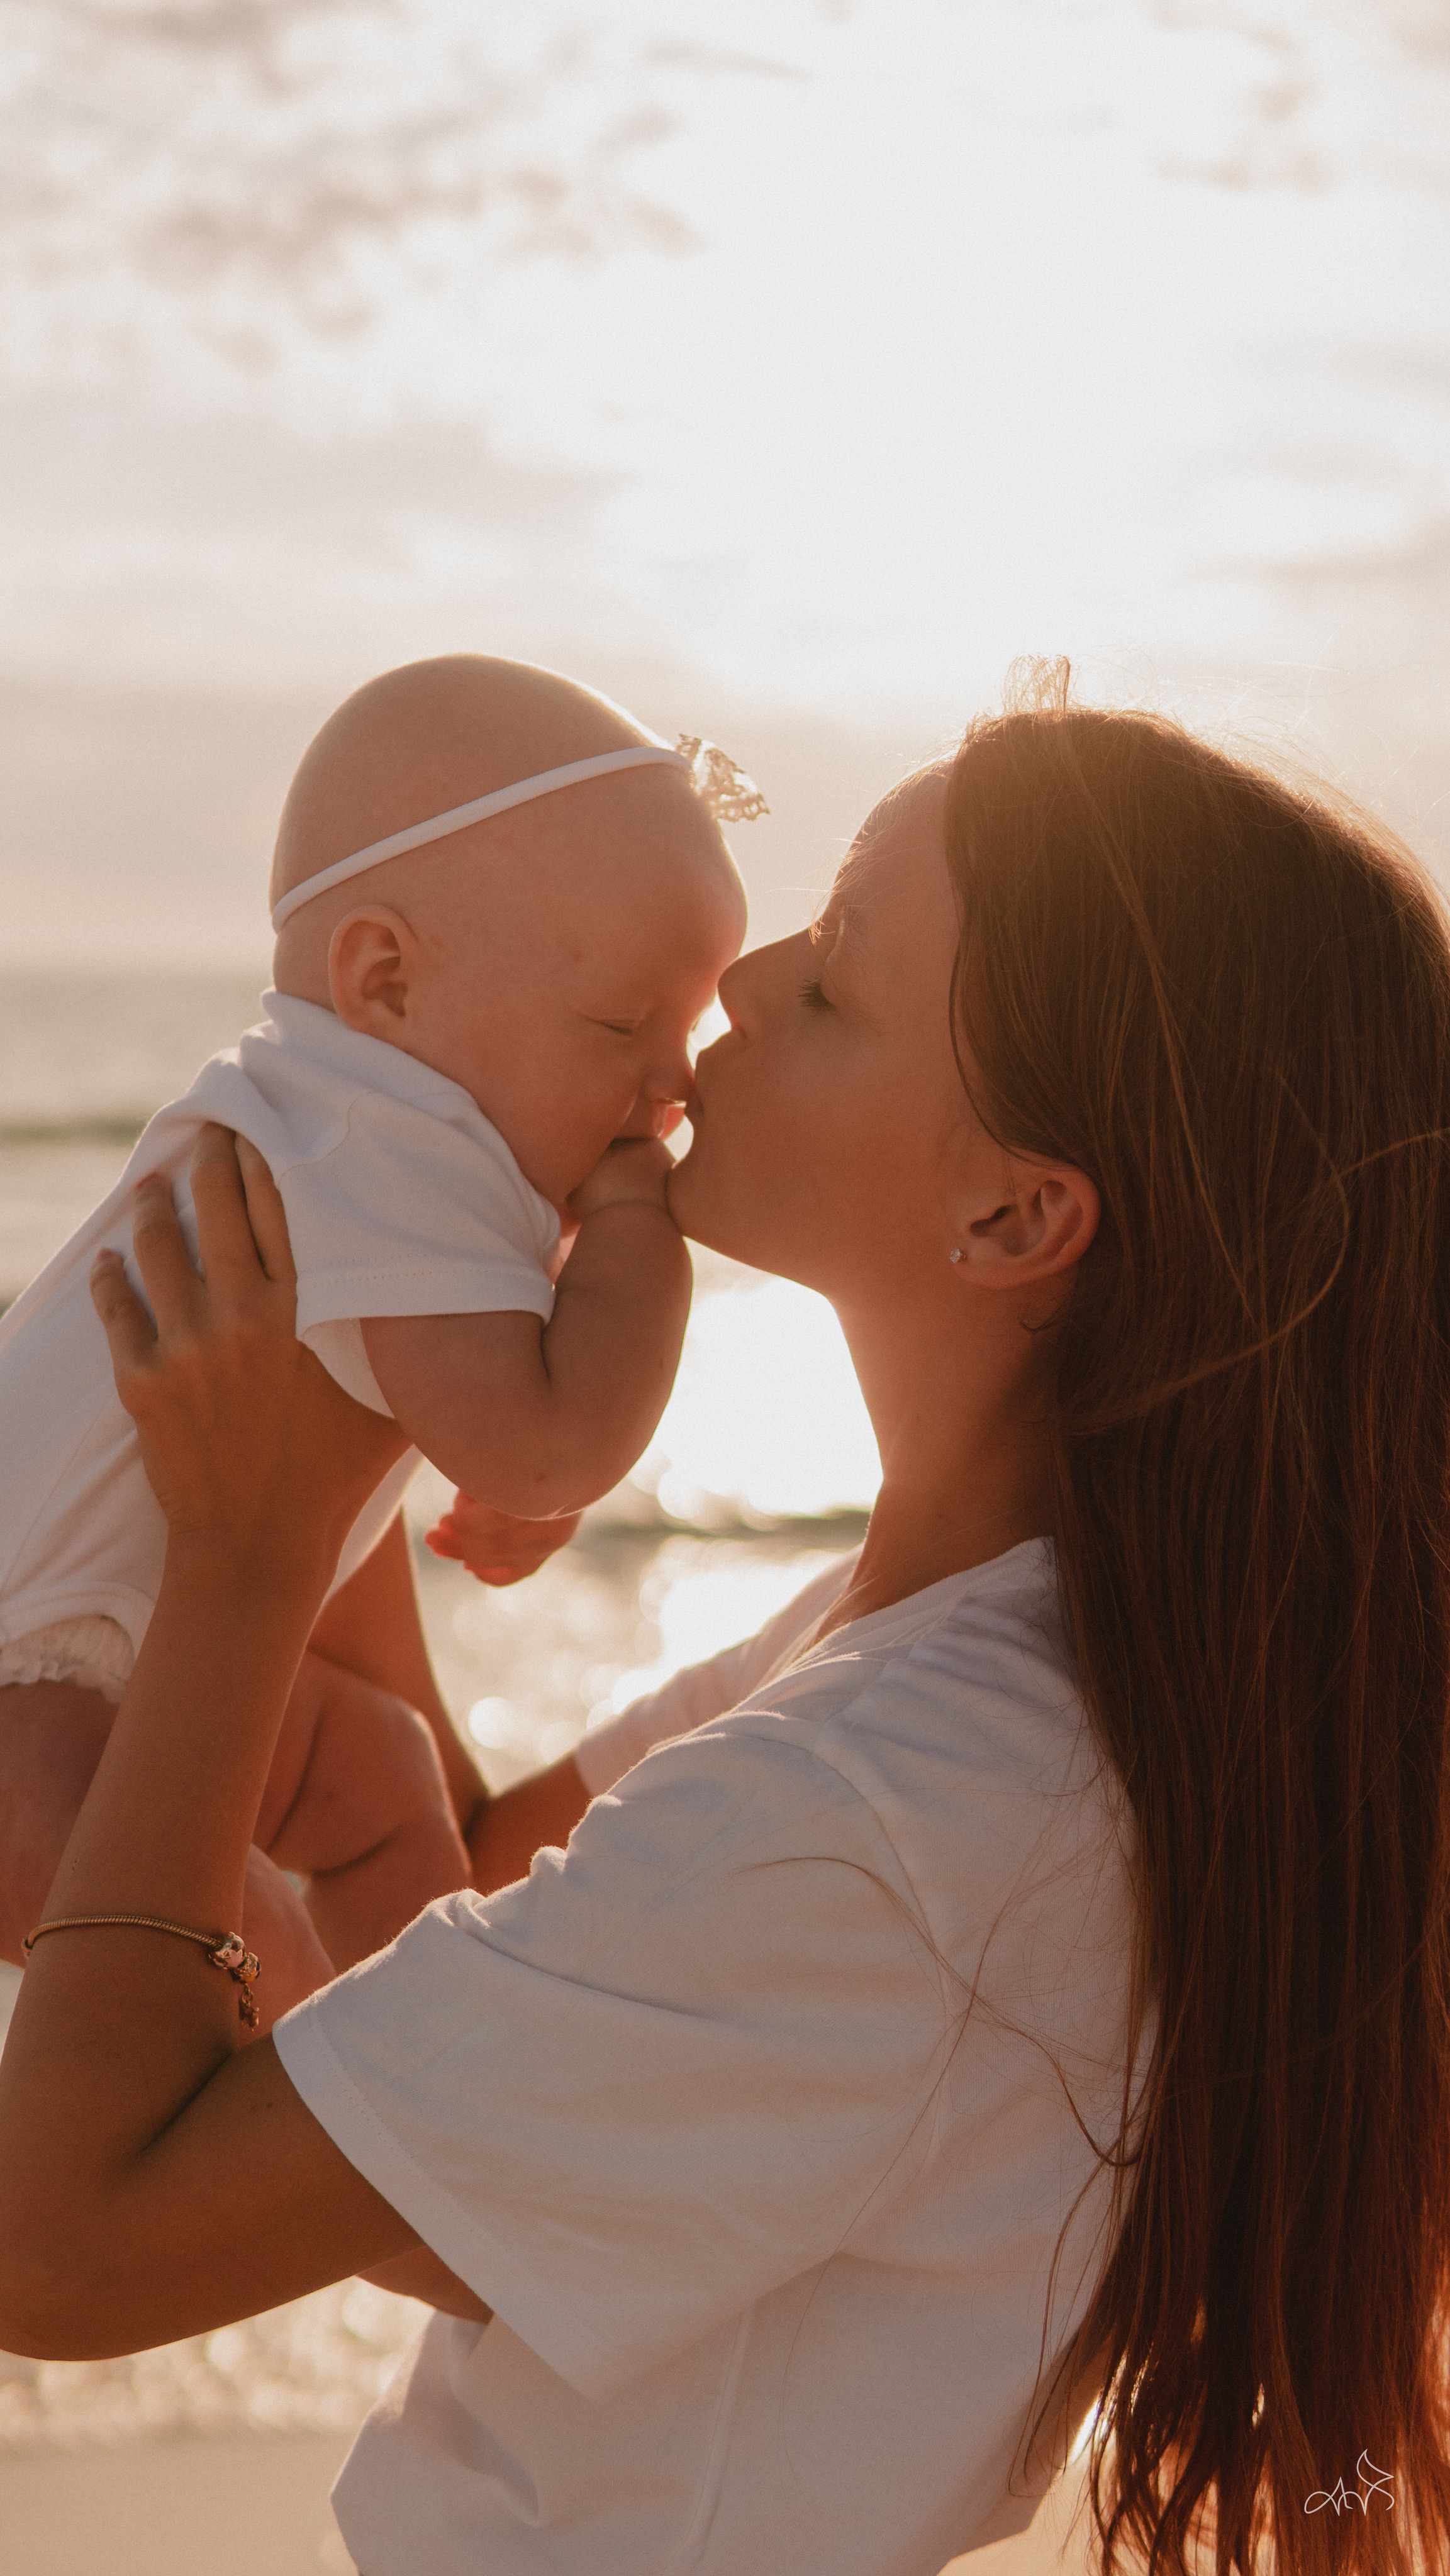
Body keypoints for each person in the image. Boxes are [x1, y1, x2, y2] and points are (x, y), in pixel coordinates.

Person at [3, 676, 1448, 2576]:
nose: (737, 988)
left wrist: (239, 1563)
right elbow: (464, 1940)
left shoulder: (879, 1809)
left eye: (837, 978)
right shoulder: (925, 1652)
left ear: (1017, 1219)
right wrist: (345, 1384)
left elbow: (68, 2241)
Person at [0, 653, 750, 2016]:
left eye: (688, 1026)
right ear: (385, 978)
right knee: (233, 1923)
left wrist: (525, 1438)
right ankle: (382, 2166)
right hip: (21, 1687)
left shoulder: (356, 1114)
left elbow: (466, 1393)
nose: (675, 1082)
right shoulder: (378, 1133)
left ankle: (439, 2060)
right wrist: (642, 1228)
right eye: (622, 1021)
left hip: (110, 1656)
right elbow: (541, 1442)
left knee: (379, 1770)